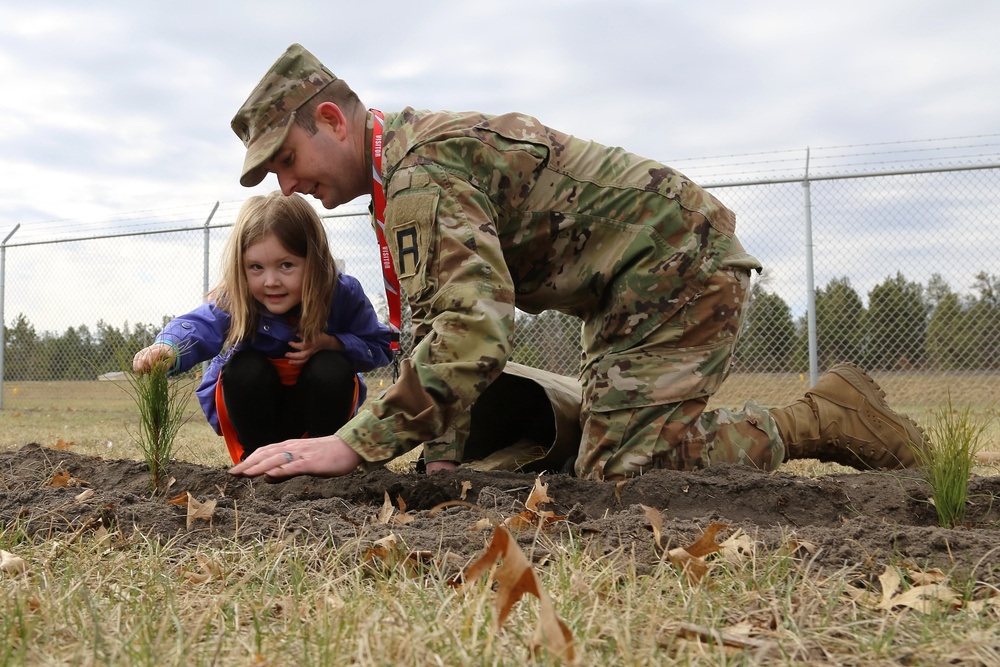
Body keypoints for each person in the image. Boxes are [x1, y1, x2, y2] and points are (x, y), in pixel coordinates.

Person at [228, 44, 927, 481]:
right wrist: (441, 450)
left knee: (621, 472)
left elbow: (474, 334)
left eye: (286, 160)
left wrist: (357, 442)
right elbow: (438, 325)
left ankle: (824, 416)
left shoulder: (418, 171)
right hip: (625, 291)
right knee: (603, 446)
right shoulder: (401, 169)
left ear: (331, 119)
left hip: (676, 269)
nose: (288, 186)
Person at [133, 190, 393, 464]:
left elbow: (380, 345)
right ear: (241, 267)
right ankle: (257, 460)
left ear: (314, 261)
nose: (271, 281)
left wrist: (332, 343)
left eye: (286, 265)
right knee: (243, 366)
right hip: (260, 414)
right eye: (256, 267)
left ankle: (320, 459)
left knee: (330, 365)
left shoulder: (341, 294)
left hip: (315, 412)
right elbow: (200, 325)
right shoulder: (239, 298)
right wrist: (168, 347)